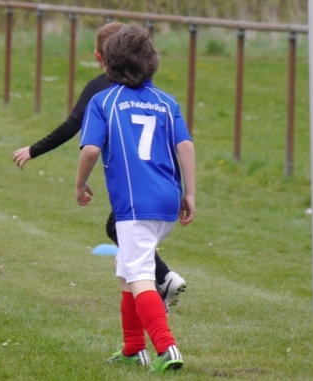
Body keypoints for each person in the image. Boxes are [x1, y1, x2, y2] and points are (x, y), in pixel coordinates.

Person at [12, 21, 187, 312]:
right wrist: (189, 191)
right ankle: (155, 293)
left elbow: (79, 133)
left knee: (129, 253)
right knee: (125, 246)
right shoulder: (158, 97)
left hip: (135, 189)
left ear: (100, 56)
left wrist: (38, 153)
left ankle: (161, 291)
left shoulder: (102, 93)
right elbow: (184, 144)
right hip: (166, 187)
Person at [75, 24, 196, 372]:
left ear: (108, 63)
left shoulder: (104, 101)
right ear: (151, 61)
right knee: (127, 270)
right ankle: (132, 348)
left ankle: (166, 347)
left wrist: (80, 184)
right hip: (167, 200)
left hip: (134, 204)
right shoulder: (166, 102)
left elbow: (91, 149)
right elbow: (185, 145)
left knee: (140, 274)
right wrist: (190, 192)